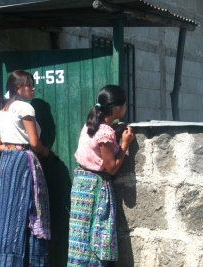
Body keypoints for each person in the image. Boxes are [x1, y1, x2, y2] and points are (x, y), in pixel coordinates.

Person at [67, 85, 135, 267]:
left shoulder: (91, 124)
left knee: (81, 236)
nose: (126, 107)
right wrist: (125, 144)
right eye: (124, 104)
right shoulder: (105, 132)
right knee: (96, 235)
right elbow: (111, 168)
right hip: (95, 188)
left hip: (81, 183)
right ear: (116, 109)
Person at [0, 70, 51, 266]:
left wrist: (12, 149)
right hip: (24, 161)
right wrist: (45, 152)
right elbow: (34, 143)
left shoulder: (2, 110)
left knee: (9, 214)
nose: (33, 88)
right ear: (18, 88)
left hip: (6, 162)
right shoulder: (25, 108)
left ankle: (7, 261)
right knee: (32, 212)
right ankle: (33, 261)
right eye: (29, 85)